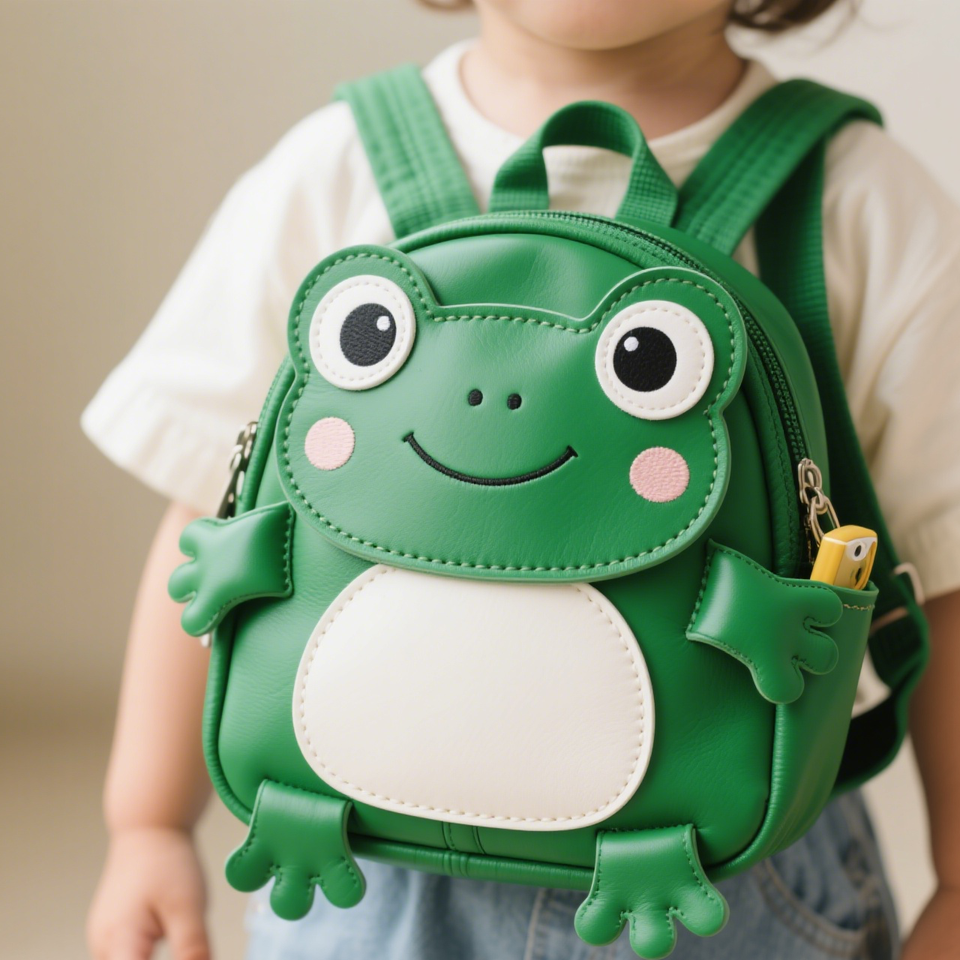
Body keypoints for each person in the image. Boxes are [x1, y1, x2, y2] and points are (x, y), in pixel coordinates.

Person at [83, 1, 960, 958]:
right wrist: (147, 824)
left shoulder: (855, 198)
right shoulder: (334, 167)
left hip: (722, 882)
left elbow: (946, 572)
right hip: (354, 855)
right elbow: (210, 518)